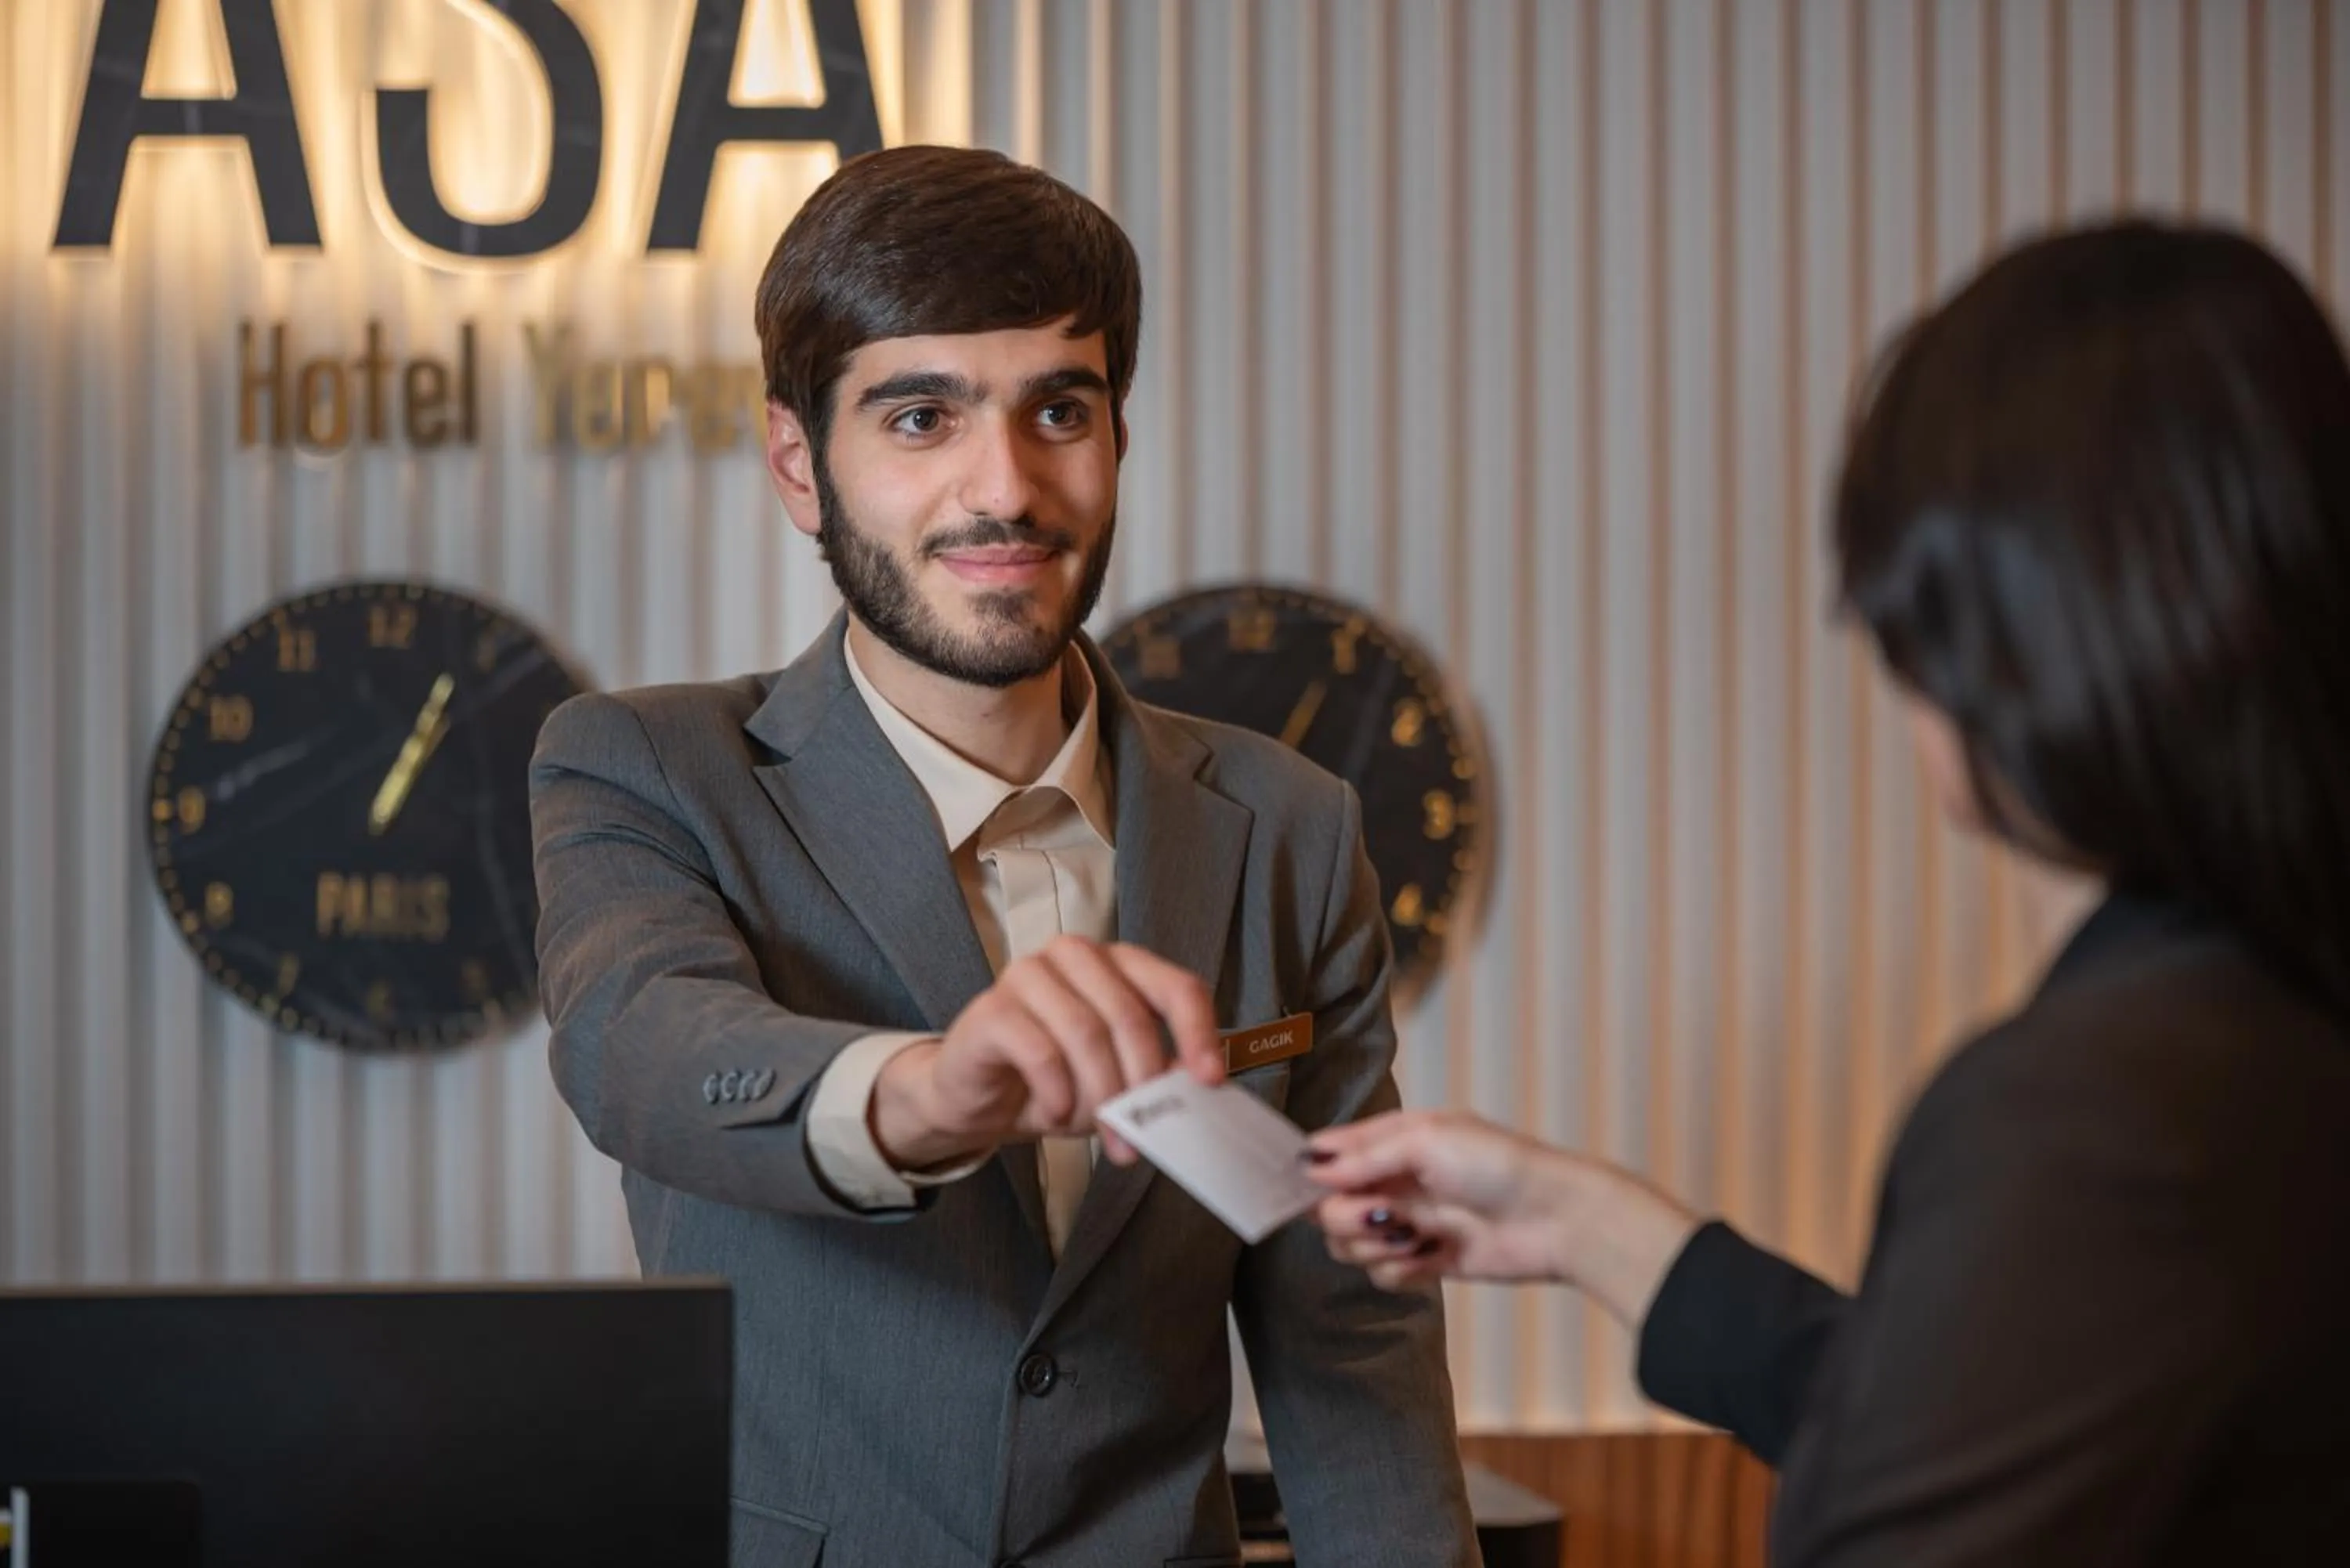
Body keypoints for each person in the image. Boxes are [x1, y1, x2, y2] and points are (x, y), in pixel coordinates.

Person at [1310, 219, 2350, 1565]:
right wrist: (1580, 1219)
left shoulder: (2098, 1111)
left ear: (1986, 636)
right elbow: (1991, 1417)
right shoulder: (2270, 1025)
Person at [530, 145, 1476, 1567]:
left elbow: (1351, 1348)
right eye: (922, 417)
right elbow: (646, 1052)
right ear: (801, 462)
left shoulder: (1289, 825)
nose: (1008, 486)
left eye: (1060, 409)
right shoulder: (646, 768)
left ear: (1118, 434)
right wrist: (927, 1089)